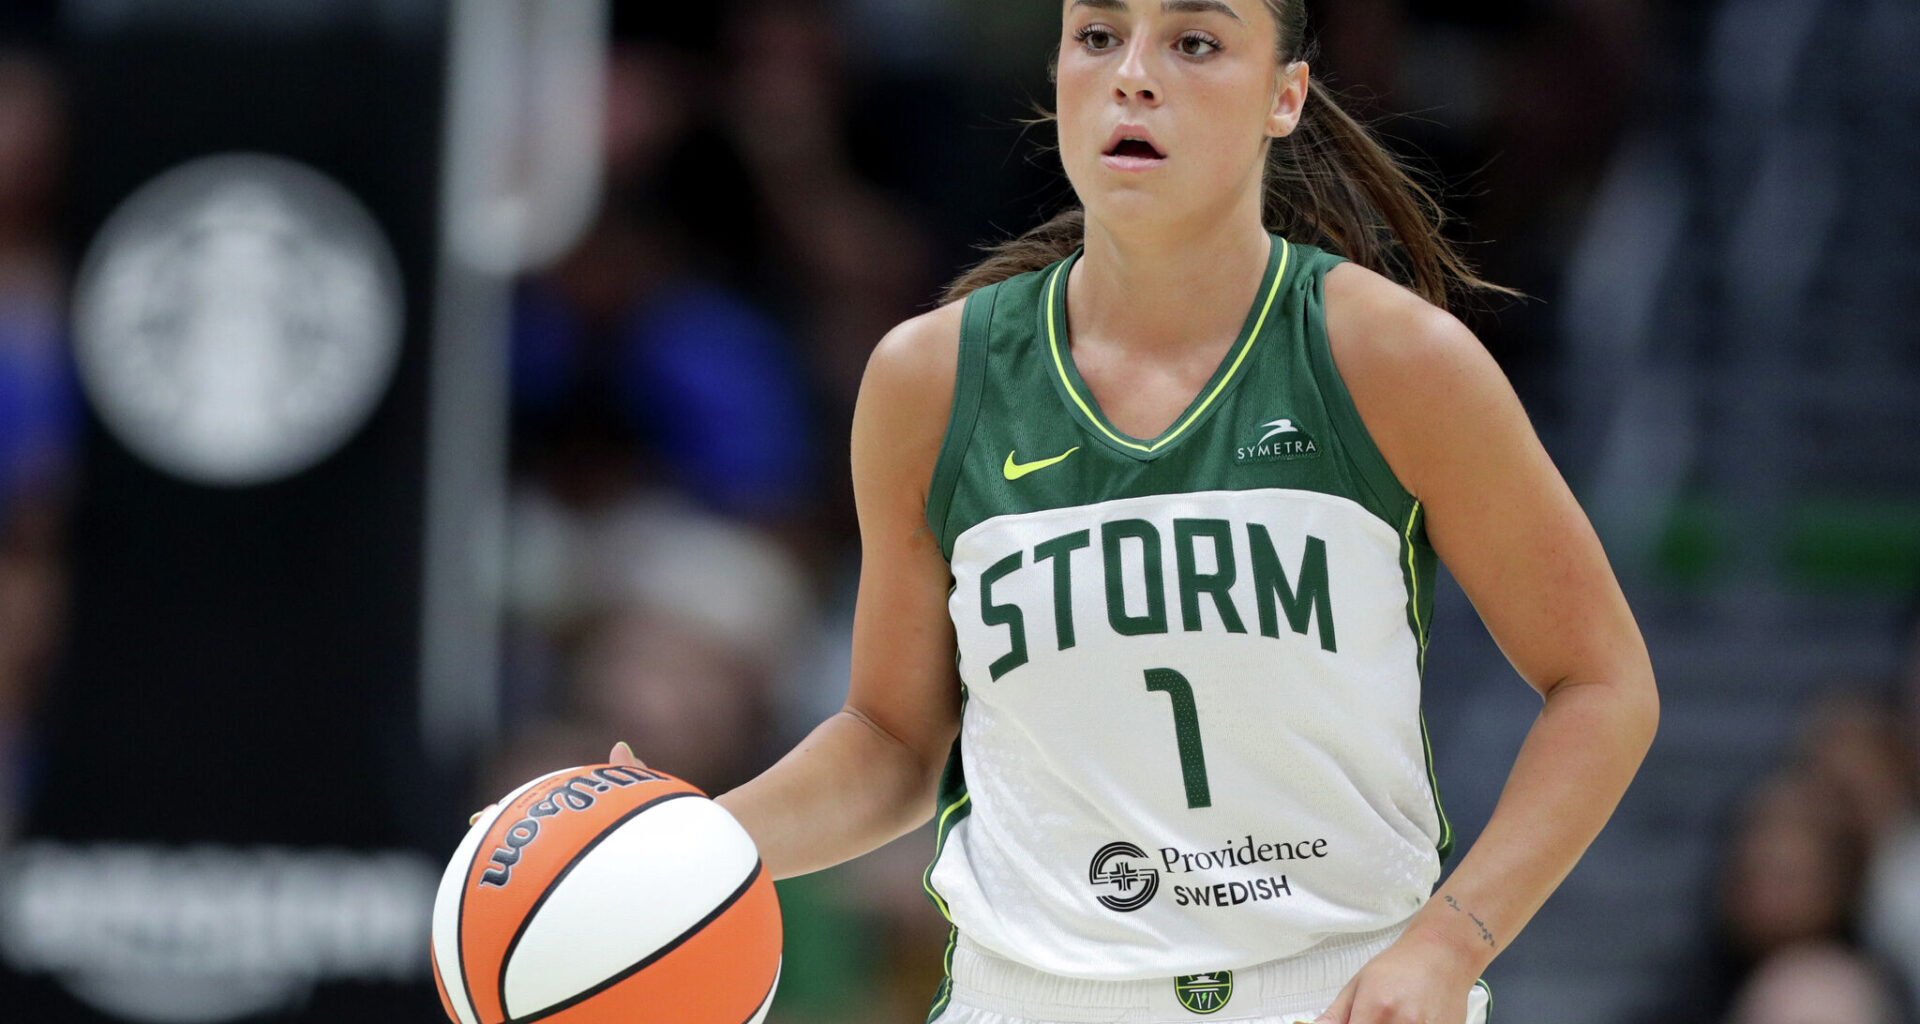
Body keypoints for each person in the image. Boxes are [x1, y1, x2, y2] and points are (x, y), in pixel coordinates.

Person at [611, 1, 1658, 1021]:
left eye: (1194, 41)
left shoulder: (1390, 355)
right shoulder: (931, 379)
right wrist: (687, 844)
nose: (1133, 76)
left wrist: (1451, 941)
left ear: (1285, 95)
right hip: (1025, 996)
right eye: (1099, 37)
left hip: (1332, 990)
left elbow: (1602, 684)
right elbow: (893, 740)